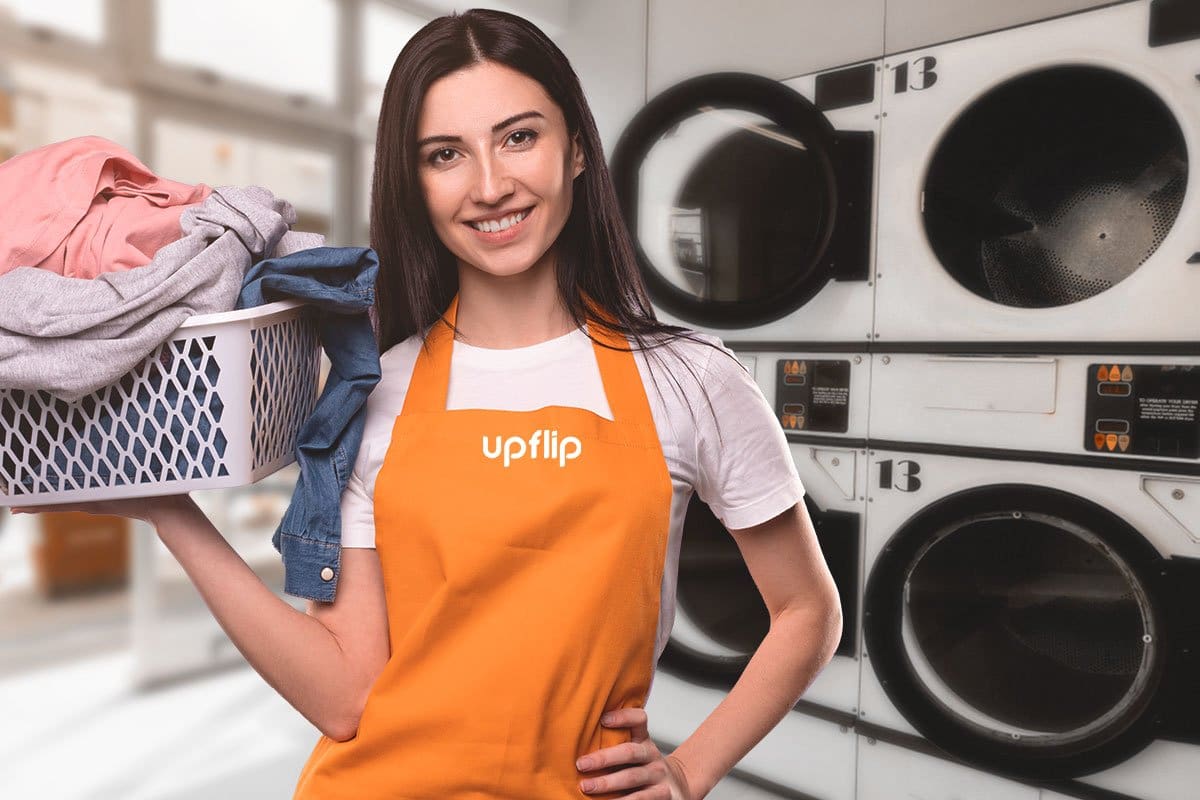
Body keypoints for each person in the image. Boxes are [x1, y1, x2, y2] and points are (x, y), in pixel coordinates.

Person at [12, 8, 842, 799]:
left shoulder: (691, 380)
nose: (490, 185)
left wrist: (691, 772)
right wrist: (175, 517)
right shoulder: (372, 393)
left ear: (578, 150)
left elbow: (808, 612)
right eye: (445, 154)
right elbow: (347, 697)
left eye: (519, 137)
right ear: (413, 181)